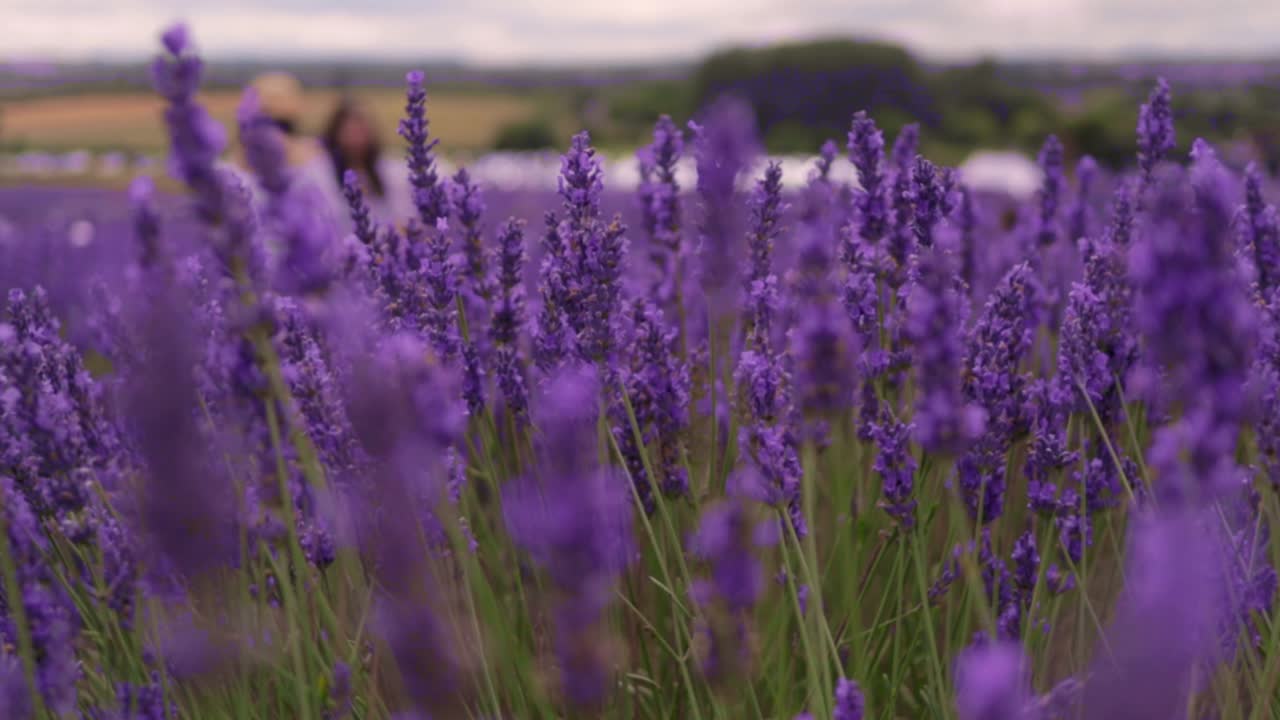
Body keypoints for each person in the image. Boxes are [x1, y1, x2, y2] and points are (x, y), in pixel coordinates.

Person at [319, 96, 412, 230]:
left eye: (362, 129)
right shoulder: (323, 171)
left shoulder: (385, 170)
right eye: (350, 130)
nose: (357, 136)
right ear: (336, 132)